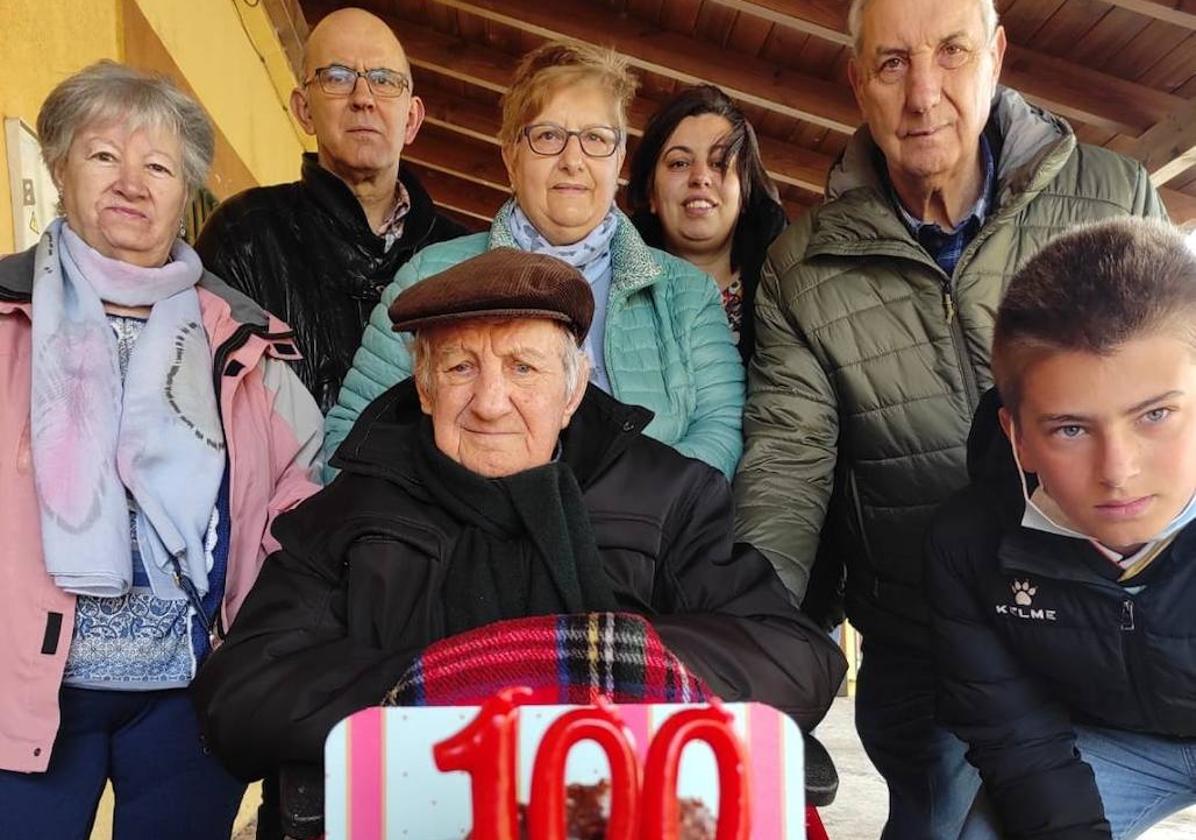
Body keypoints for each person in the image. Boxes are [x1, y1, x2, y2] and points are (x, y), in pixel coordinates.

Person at [192, 248, 846, 834]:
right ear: (423, 387)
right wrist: (459, 683)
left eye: (523, 367)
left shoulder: (668, 495)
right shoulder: (349, 510)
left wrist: (590, 665)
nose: (490, 402)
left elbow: (798, 660)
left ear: (573, 389)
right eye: (460, 367)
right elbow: (241, 695)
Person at [731, 0, 1168, 835]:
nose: (923, 93)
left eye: (952, 53)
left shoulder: (1113, 194)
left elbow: (1173, 399)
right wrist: (754, 639)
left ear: (997, 55)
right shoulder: (803, 262)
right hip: (924, 634)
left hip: (1108, 611)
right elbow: (788, 465)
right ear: (857, 81)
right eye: (892, 64)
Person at [0, 61, 322, 840]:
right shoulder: (9, 317)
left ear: (186, 193)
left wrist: (256, 642)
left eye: (160, 166)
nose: (132, 183)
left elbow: (299, 498)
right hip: (24, 685)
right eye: (104, 155)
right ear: (59, 165)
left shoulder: (242, 339)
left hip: (186, 691)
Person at [325, 41, 745, 478]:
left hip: (636, 540)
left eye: (596, 139)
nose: (573, 161)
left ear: (619, 159)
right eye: (548, 136)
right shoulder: (429, 276)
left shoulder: (686, 293)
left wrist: (620, 513)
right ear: (510, 156)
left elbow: (721, 432)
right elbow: (352, 437)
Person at [929, 218, 1196, 839]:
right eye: (1071, 429)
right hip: (1107, 740)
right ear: (1017, 438)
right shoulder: (966, 545)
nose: (1119, 472)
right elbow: (1017, 733)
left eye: (1156, 415)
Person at [194, 7, 466, 413]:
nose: (363, 99)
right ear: (304, 109)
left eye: (384, 80)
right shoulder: (243, 236)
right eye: (337, 77)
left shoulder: (460, 257)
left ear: (411, 119)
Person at [627, 83, 787, 360]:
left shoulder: (792, 287)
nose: (700, 177)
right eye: (679, 163)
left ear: (745, 190)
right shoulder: (611, 286)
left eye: (719, 162)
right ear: (651, 193)